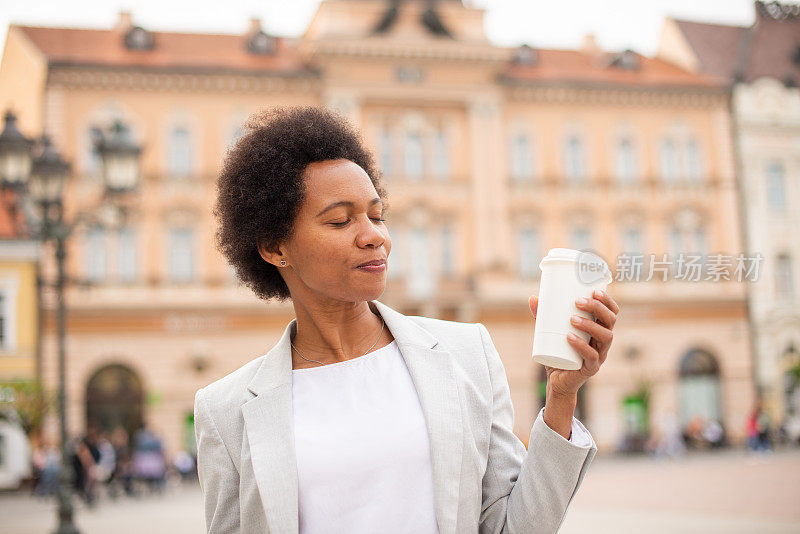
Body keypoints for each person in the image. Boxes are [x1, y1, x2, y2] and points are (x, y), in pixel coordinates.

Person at [194, 106, 620, 533]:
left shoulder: (467, 354)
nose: (375, 235)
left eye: (376, 216)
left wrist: (561, 397)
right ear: (273, 248)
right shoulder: (226, 411)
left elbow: (513, 528)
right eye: (341, 220)